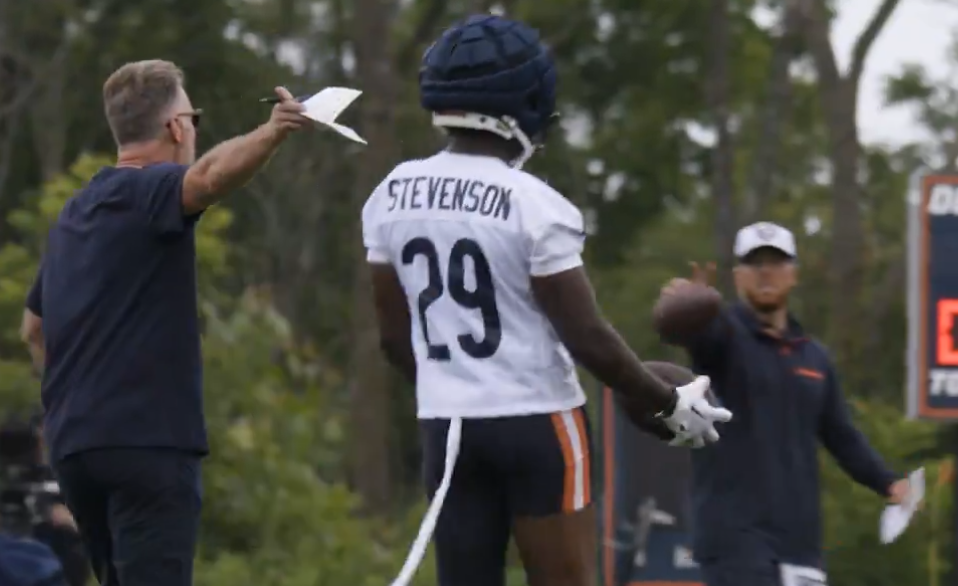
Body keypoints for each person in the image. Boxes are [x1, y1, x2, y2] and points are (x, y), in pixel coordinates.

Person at [361, 14, 732, 586]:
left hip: (448, 425)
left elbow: (393, 337)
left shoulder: (390, 194)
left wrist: (454, 385)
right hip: (538, 425)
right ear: (523, 101)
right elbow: (585, 336)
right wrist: (664, 402)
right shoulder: (534, 203)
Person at [18, 59, 310, 586]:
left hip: (76, 449)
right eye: (191, 117)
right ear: (177, 127)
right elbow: (210, 178)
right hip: (146, 445)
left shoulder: (73, 214)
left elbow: (33, 330)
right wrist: (273, 131)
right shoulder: (152, 190)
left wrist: (74, 404)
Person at [655, 221, 910, 586]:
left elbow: (841, 435)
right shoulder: (722, 336)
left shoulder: (814, 357)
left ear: (794, 274)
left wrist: (888, 483)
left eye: (776, 262)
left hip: (800, 542)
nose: (765, 272)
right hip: (736, 536)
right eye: (754, 263)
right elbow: (692, 337)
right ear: (738, 275)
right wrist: (687, 310)